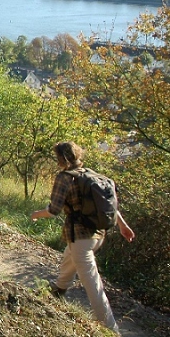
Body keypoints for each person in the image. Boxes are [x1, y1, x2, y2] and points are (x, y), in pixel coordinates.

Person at [31, 141, 135, 333]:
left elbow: (54, 210)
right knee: (69, 257)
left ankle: (111, 329)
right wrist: (123, 226)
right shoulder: (90, 175)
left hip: (80, 236)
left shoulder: (65, 178)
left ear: (62, 159)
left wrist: (36, 214)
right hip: (98, 234)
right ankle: (58, 290)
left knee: (92, 283)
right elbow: (111, 206)